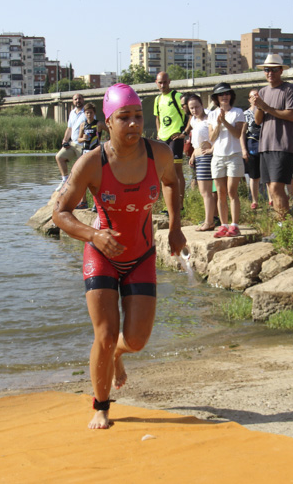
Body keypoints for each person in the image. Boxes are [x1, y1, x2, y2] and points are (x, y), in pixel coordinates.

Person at [52, 83, 185, 429]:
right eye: (124, 117)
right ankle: (101, 406)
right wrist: (94, 234)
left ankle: (117, 356)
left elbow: (172, 182)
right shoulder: (91, 163)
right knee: (106, 333)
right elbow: (60, 213)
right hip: (102, 256)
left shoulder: (160, 154)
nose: (133, 124)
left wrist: (174, 226)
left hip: (141, 255)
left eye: (138, 116)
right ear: (108, 122)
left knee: (136, 341)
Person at [251, 54, 293, 215]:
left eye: (274, 69)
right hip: (265, 145)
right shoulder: (263, 91)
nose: (270, 73)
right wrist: (258, 106)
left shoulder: (289, 89)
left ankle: (284, 225)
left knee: (278, 187)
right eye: (267, 70)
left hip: (282, 145)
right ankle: (282, 224)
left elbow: (292, 115)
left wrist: (266, 107)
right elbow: (258, 121)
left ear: (281, 71)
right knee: (271, 188)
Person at [208, 83, 246, 238]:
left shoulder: (238, 112)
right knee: (220, 192)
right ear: (216, 98)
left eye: (227, 94)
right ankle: (223, 225)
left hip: (233, 155)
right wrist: (218, 123)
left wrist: (224, 121)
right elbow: (211, 138)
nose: (224, 97)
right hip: (217, 156)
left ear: (231, 96)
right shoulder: (212, 114)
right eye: (221, 94)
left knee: (231, 191)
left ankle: (235, 225)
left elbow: (237, 134)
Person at [153, 72, 187, 212]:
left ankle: (179, 204)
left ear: (169, 82)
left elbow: (189, 115)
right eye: (160, 83)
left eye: (165, 82)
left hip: (175, 138)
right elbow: (157, 118)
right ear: (156, 83)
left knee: (176, 171)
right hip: (163, 139)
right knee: (163, 172)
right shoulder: (157, 99)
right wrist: (159, 134)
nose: (162, 85)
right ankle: (168, 205)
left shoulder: (177, 97)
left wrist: (183, 133)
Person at [187, 94, 217, 231]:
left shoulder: (210, 118)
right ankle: (210, 219)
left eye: (197, 107)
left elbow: (218, 135)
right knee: (204, 192)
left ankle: (209, 221)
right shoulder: (193, 120)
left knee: (206, 192)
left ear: (202, 105)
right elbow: (196, 142)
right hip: (198, 156)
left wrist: (212, 149)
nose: (194, 110)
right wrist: (193, 155)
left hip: (206, 157)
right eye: (191, 108)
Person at [76, 103, 108, 209]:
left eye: (90, 113)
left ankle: (97, 204)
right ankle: (84, 202)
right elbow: (78, 139)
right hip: (85, 153)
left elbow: (111, 131)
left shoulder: (98, 124)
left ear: (94, 113)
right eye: (87, 113)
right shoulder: (83, 125)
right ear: (84, 113)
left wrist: (107, 143)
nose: (89, 115)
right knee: (82, 178)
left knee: (96, 179)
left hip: (95, 153)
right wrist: (83, 138)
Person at [55, 93, 87, 190]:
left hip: (83, 145)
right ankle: (65, 179)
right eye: (76, 99)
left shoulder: (87, 112)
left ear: (83, 100)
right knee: (59, 157)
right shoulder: (72, 113)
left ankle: (85, 190)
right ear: (73, 101)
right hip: (72, 143)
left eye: (80, 99)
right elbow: (69, 128)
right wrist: (65, 140)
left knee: (82, 168)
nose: (78, 101)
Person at [243, 90, 263, 210]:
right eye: (252, 96)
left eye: (256, 95)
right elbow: (242, 133)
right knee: (253, 175)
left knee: (266, 175)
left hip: (264, 144)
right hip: (251, 146)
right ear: (249, 100)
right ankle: (255, 200)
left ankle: (270, 199)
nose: (254, 98)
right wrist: (243, 149)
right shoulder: (245, 114)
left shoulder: (264, 111)